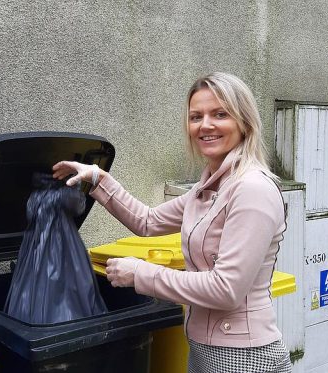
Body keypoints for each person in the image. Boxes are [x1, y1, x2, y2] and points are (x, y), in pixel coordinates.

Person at [53, 72, 292, 373]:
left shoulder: (252, 190)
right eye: (196, 117)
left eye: (220, 114)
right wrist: (98, 178)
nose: (205, 125)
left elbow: (226, 289)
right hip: (205, 350)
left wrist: (141, 273)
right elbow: (148, 221)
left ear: (244, 122)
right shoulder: (207, 189)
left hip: (245, 357)